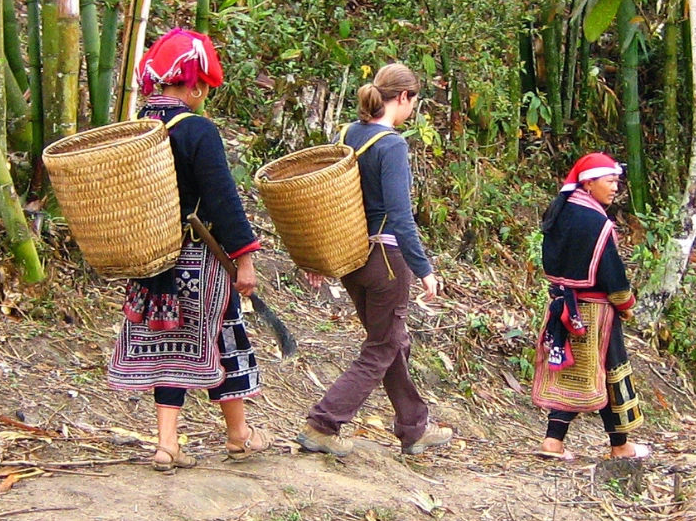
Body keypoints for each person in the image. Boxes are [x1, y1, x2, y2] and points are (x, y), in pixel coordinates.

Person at [106, 28, 270, 472]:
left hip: (149, 258)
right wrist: (245, 258)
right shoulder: (197, 131)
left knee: (167, 345)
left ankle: (167, 445)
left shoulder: (137, 128)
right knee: (225, 335)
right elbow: (222, 200)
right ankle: (237, 436)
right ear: (194, 84)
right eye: (204, 89)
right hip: (199, 258)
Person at [298, 63, 454, 457]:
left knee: (392, 340)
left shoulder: (349, 133)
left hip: (352, 257)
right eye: (412, 102)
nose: (411, 111)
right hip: (385, 259)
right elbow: (401, 217)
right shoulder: (392, 145)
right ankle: (323, 423)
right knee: (382, 346)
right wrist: (424, 270)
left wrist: (319, 254)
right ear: (402, 97)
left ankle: (413, 426)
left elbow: (330, 198)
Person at [532, 153, 649, 461]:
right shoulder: (596, 221)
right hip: (594, 312)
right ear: (588, 182)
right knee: (609, 372)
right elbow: (612, 275)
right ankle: (620, 445)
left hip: (562, 306)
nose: (615, 188)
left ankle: (552, 442)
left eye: (616, 182)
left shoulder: (560, 210)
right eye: (610, 181)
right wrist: (626, 304)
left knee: (572, 369)